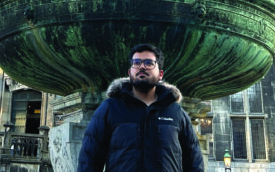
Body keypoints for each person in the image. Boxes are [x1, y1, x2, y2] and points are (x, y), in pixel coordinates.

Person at [78, 43, 204, 172]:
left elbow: (194, 161)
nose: (142, 67)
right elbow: (89, 160)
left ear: (160, 74)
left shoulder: (176, 112)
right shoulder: (110, 108)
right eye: (136, 63)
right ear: (130, 72)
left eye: (149, 63)